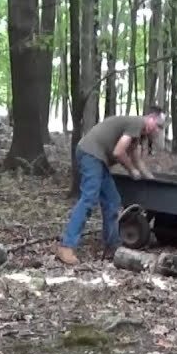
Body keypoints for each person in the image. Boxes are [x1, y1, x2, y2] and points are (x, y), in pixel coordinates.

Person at [56, 107, 166, 265]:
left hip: (98, 159)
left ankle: (112, 247)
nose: (157, 129)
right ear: (150, 118)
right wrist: (131, 170)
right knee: (89, 199)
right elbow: (119, 152)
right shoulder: (136, 123)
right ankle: (66, 246)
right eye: (157, 124)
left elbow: (137, 160)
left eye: (160, 128)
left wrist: (150, 178)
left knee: (112, 200)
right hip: (90, 153)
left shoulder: (138, 133)